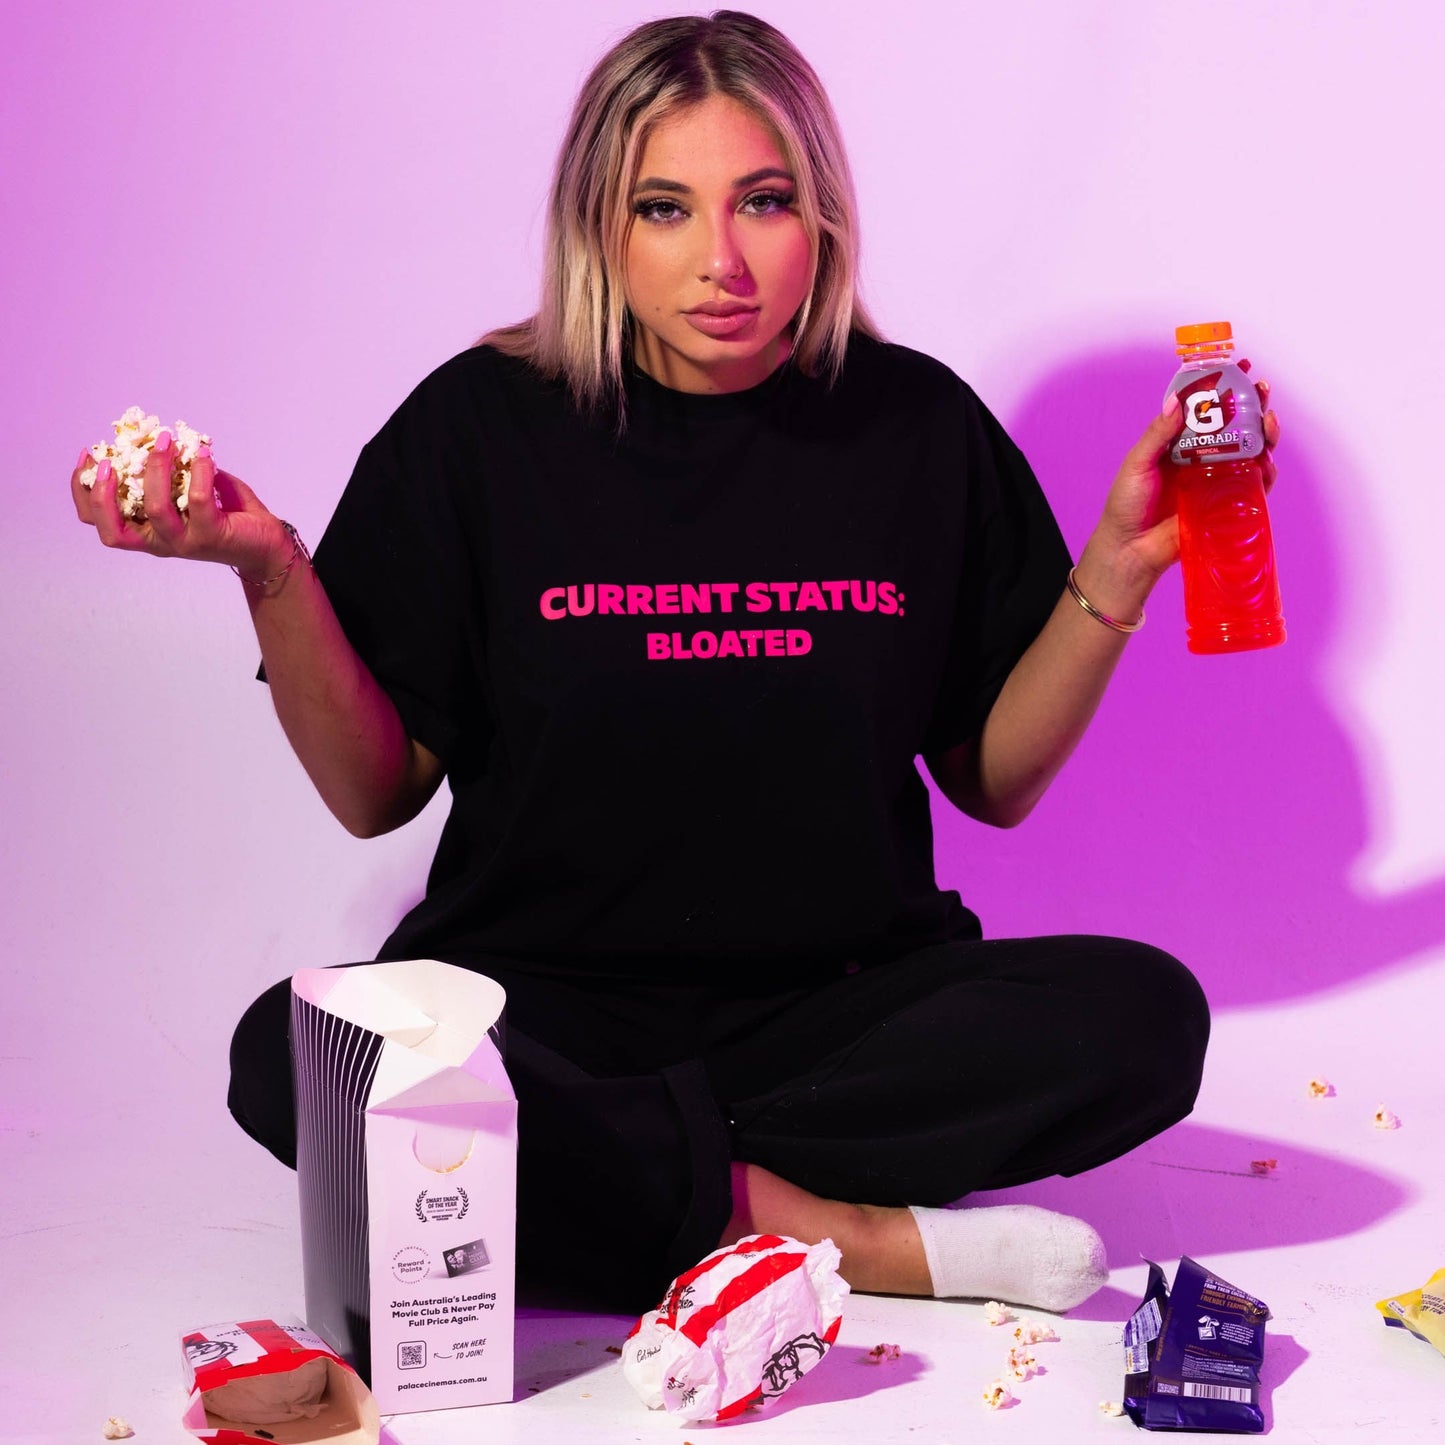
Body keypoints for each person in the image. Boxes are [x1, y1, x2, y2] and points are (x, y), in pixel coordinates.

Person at [71, 11, 1276, 1314]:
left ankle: (609, 1181)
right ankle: (818, 1230)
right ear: (597, 225)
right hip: (539, 1005)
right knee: (296, 1053)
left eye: (763, 201)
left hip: (839, 1012)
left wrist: (1114, 563)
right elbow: (376, 790)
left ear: (820, 218)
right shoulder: (478, 430)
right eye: (663, 209)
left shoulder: (914, 426)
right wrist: (270, 568)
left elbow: (990, 778)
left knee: (1145, 1015)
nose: (722, 261)